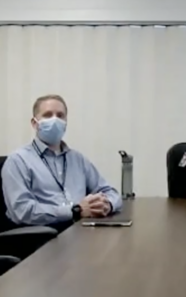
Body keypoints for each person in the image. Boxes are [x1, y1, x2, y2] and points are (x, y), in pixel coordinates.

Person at [2, 94, 122, 229]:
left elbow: (111, 192)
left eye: (60, 115)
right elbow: (22, 211)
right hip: (43, 239)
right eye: (48, 115)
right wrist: (75, 211)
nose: (55, 120)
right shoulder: (18, 161)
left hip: (82, 231)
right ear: (34, 123)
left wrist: (107, 205)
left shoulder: (78, 159)